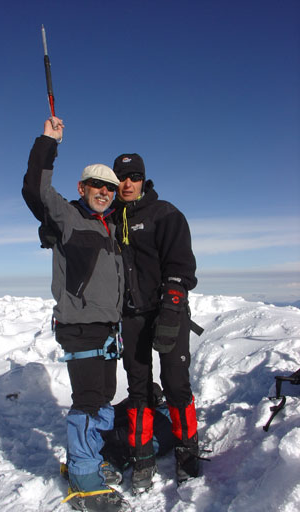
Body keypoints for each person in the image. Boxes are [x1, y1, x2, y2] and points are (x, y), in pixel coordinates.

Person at [21, 116, 130, 512]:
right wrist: (49, 142)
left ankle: (86, 459)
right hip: (80, 328)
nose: (104, 192)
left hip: (106, 329)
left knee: (102, 400)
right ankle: (84, 479)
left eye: (110, 188)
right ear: (82, 188)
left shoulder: (110, 229)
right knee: (87, 403)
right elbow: (35, 189)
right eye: (96, 186)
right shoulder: (67, 216)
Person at [111, 153, 203, 491]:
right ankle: (142, 457)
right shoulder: (110, 218)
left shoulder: (165, 213)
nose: (128, 183)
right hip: (131, 316)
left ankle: (187, 451)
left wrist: (172, 307)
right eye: (122, 176)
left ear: (143, 179)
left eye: (134, 176)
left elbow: (180, 267)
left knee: (176, 383)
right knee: (138, 388)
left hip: (168, 312)